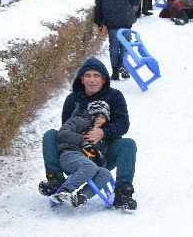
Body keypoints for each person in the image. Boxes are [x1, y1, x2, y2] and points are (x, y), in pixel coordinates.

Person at [38, 57, 138, 210]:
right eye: (88, 75)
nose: (92, 80)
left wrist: (102, 132)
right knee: (51, 134)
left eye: (96, 76)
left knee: (128, 144)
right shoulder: (72, 99)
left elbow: (123, 124)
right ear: (82, 80)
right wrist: (81, 138)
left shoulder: (115, 96)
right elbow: (65, 129)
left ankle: (123, 192)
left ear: (104, 79)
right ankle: (55, 180)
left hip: (102, 152)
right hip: (74, 154)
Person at [51, 100, 113, 208]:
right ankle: (64, 191)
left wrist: (97, 153)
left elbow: (102, 161)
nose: (100, 120)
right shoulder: (79, 121)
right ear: (92, 115)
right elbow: (63, 133)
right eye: (97, 116)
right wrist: (82, 141)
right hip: (70, 155)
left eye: (103, 118)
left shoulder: (101, 136)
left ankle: (81, 197)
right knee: (90, 166)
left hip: (87, 163)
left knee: (105, 173)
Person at [94, 0, 141, 81]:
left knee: (113, 45)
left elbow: (98, 3)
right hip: (125, 19)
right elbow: (135, 1)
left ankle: (115, 71)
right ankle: (124, 67)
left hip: (111, 20)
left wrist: (99, 21)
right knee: (125, 45)